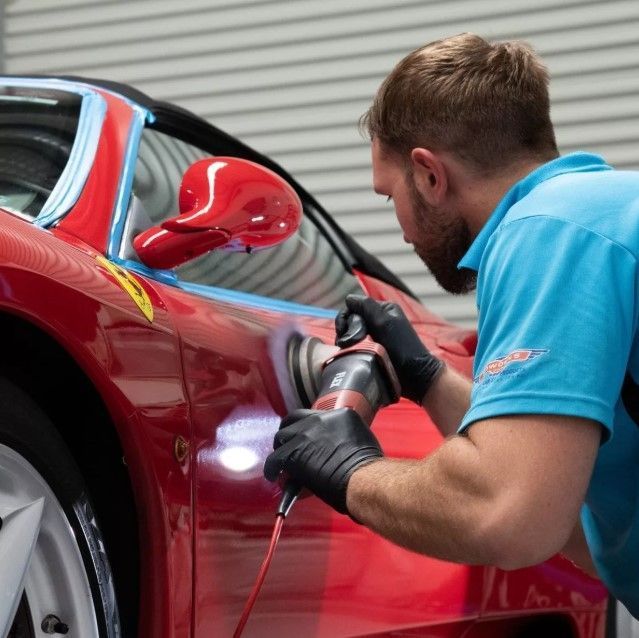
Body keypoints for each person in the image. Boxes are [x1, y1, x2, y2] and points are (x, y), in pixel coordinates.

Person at [264, 32, 639, 617]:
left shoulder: (550, 230)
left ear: (430, 174)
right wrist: (429, 379)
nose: (406, 234)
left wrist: (351, 473)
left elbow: (510, 515)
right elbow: (568, 511)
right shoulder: (604, 216)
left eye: (392, 199)